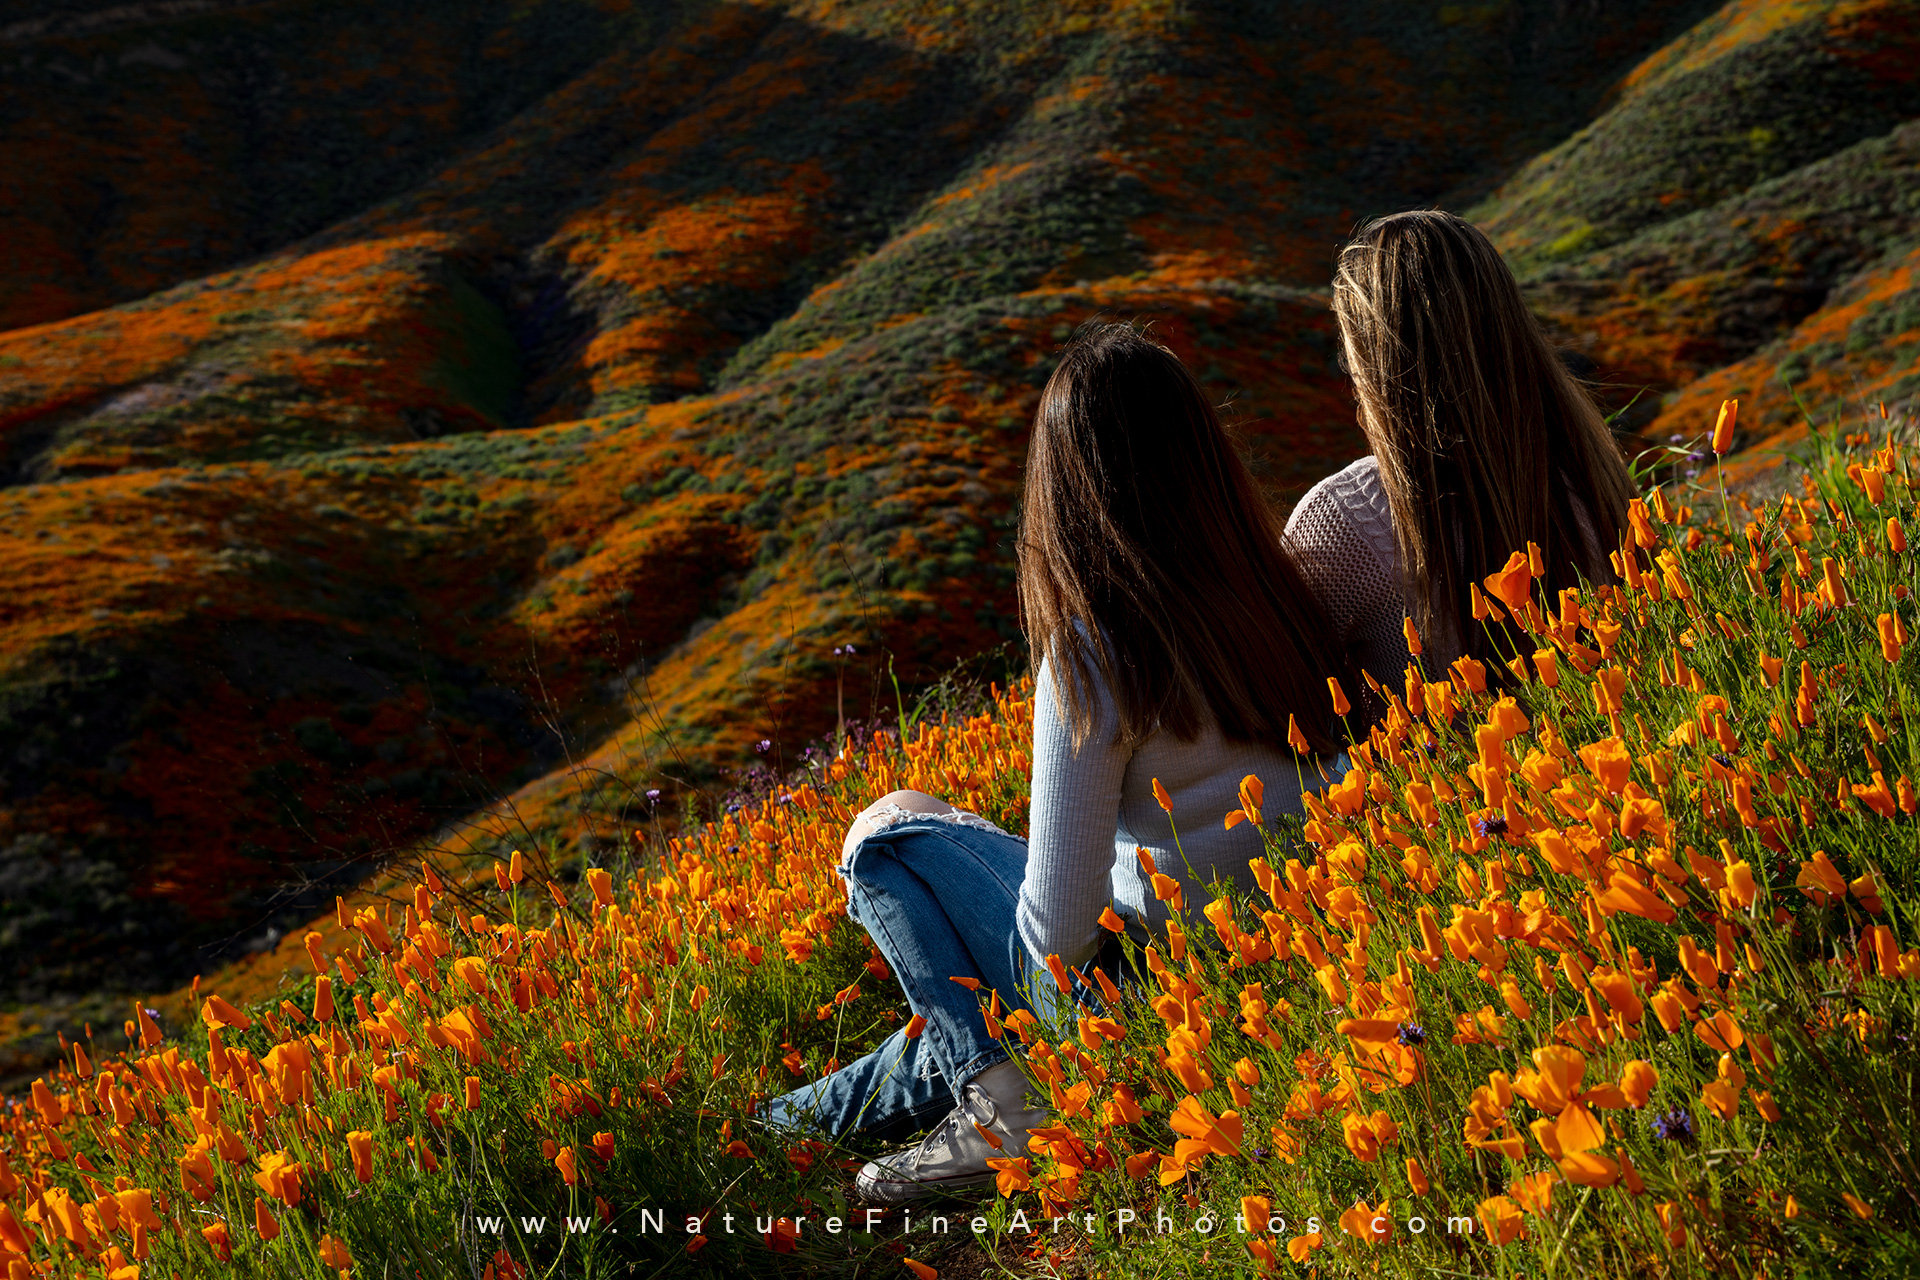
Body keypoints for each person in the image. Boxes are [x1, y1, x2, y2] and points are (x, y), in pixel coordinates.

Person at [760, 324, 1352, 1203]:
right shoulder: (1287, 589)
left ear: (1069, 492)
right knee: (956, 999)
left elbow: (1060, 939)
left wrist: (995, 970)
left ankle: (1001, 1109)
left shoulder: (1097, 649)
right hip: (1295, 958)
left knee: (884, 837)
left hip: (1156, 1002)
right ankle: (779, 1126)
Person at [1286, 210, 1635, 723]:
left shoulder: (1342, 522)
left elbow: (1283, 703)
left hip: (1453, 798)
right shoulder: (1592, 472)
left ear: (1372, 362)